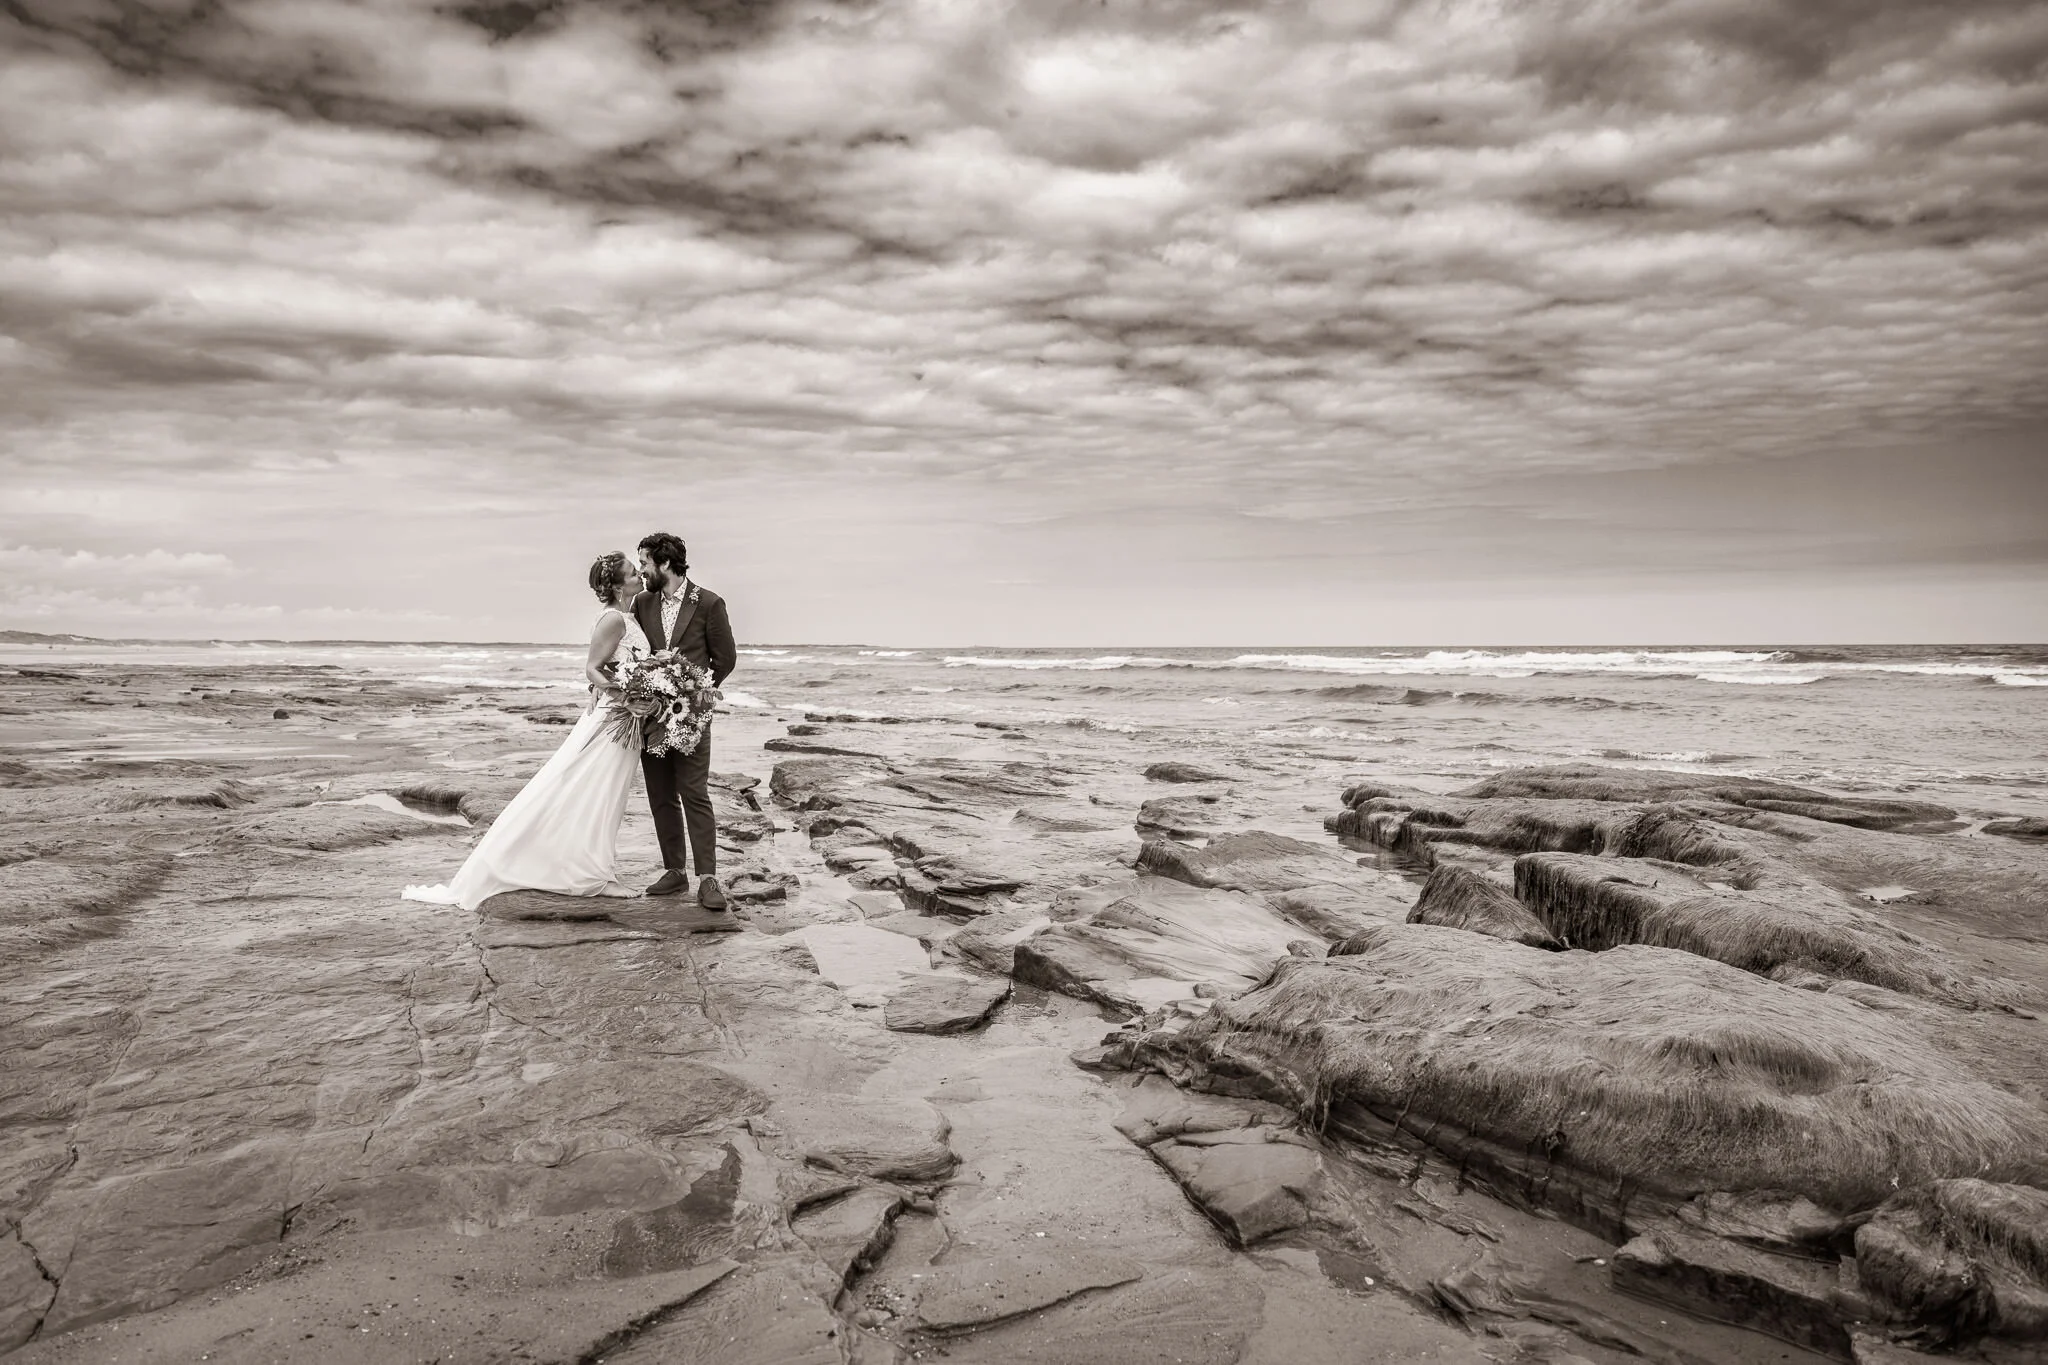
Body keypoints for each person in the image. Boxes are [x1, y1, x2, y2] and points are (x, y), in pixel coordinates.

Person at [402, 552, 651, 910]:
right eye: (631, 574)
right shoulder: (613, 619)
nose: (639, 577)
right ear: (615, 585)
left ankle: (594, 869)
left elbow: (618, 666)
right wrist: (624, 696)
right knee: (594, 793)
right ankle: (595, 877)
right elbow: (593, 669)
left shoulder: (628, 615)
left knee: (604, 794)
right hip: (612, 720)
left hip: (623, 718)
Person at [632, 531, 737, 908]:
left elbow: (725, 658)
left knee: (694, 792)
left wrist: (696, 694)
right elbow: (633, 650)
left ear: (664, 564)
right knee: (660, 794)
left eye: (645, 562)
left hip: (691, 715)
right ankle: (674, 871)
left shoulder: (709, 602)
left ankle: (708, 879)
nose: (642, 570)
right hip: (651, 716)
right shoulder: (642, 603)